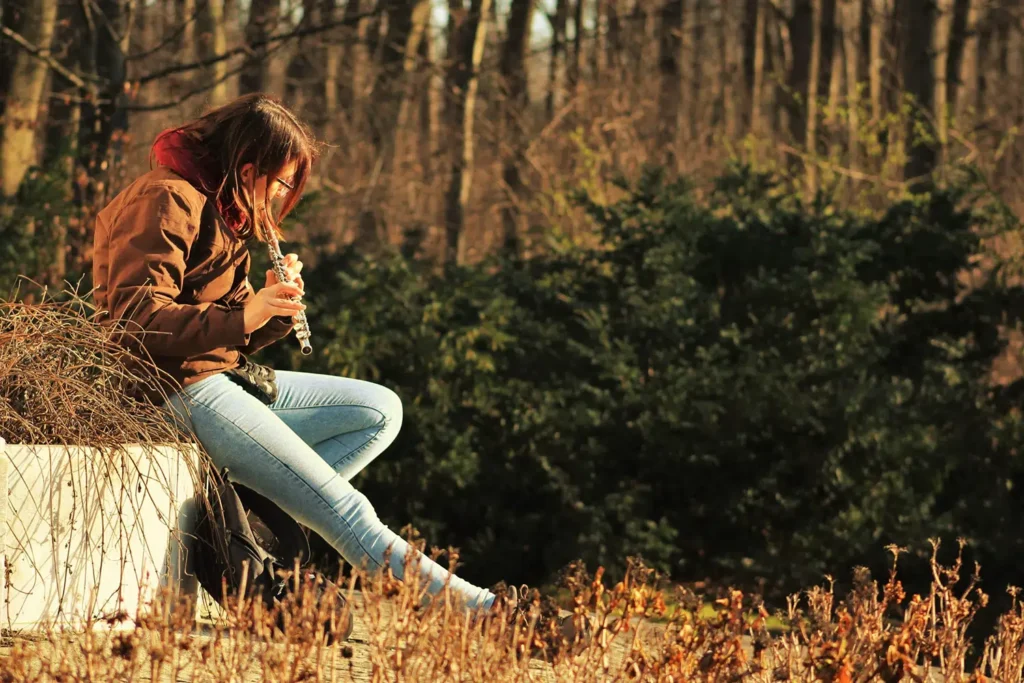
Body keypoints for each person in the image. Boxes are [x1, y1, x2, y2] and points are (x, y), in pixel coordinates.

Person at [91, 93, 588, 649]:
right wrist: (245, 314)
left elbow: (232, 330)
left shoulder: (225, 208)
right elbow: (135, 323)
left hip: (219, 376)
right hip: (173, 390)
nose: (282, 200)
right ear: (248, 168)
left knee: (378, 410)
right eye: (281, 184)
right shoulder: (167, 198)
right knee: (345, 509)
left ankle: (254, 512)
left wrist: (272, 311)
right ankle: (489, 618)